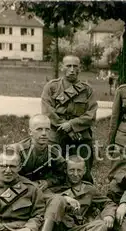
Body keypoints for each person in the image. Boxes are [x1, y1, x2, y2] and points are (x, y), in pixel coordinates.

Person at [38, 156, 117, 231]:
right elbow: (39, 196)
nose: (75, 174)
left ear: (84, 171)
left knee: (101, 225)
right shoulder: (54, 184)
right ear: (65, 170)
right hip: (52, 229)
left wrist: (109, 215)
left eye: (79, 170)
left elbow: (109, 203)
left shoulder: (89, 189)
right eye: (71, 170)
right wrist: (64, 198)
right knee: (57, 199)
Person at [41, 55, 98, 183]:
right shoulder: (52, 87)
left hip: (80, 132)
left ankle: (87, 191)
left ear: (80, 68)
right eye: (68, 66)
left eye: (75, 66)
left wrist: (72, 124)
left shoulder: (87, 90)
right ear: (62, 67)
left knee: (84, 165)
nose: (72, 69)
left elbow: (91, 114)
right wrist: (66, 127)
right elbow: (47, 111)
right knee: (53, 164)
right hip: (57, 131)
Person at [1, 114, 67, 191]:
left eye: (47, 129)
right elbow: (0, 175)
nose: (44, 133)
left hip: (39, 191)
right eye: (39, 129)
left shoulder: (54, 153)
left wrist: (47, 182)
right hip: (14, 188)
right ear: (30, 132)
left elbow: (62, 175)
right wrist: (30, 184)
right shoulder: (16, 150)